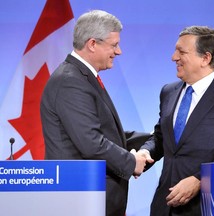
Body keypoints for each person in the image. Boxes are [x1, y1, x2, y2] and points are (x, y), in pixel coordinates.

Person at [40, 10, 153, 216]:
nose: (118, 52)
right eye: (114, 45)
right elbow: (90, 142)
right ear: (92, 44)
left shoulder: (81, 77)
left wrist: (152, 143)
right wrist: (131, 162)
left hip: (91, 197)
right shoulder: (70, 81)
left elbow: (103, 131)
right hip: (80, 198)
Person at [139, 26, 214, 215]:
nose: (173, 57)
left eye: (181, 51)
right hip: (164, 204)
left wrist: (200, 180)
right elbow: (161, 137)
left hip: (205, 206)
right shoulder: (168, 91)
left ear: (205, 58)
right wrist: (145, 152)